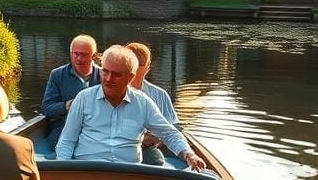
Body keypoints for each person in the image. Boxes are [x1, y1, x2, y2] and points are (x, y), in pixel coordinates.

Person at [55, 45, 206, 171]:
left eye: (116, 75)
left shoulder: (143, 103)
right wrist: (62, 172)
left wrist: (189, 154)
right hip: (87, 171)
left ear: (131, 77)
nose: (108, 79)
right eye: (105, 71)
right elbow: (66, 141)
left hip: (129, 175)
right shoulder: (83, 98)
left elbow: (170, 134)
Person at [40, 34, 101, 144]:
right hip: (63, 132)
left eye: (84, 54)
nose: (79, 58)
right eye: (76, 54)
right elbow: (47, 108)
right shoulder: (57, 75)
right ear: (71, 54)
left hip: (95, 132)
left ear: (94, 56)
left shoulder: (104, 76)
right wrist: (67, 106)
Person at [127, 42, 179, 166]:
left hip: (151, 148)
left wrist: (158, 140)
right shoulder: (112, 92)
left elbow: (173, 128)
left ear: (148, 66)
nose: (137, 69)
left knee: (157, 161)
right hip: (123, 147)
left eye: (141, 64)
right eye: (135, 64)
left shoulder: (160, 94)